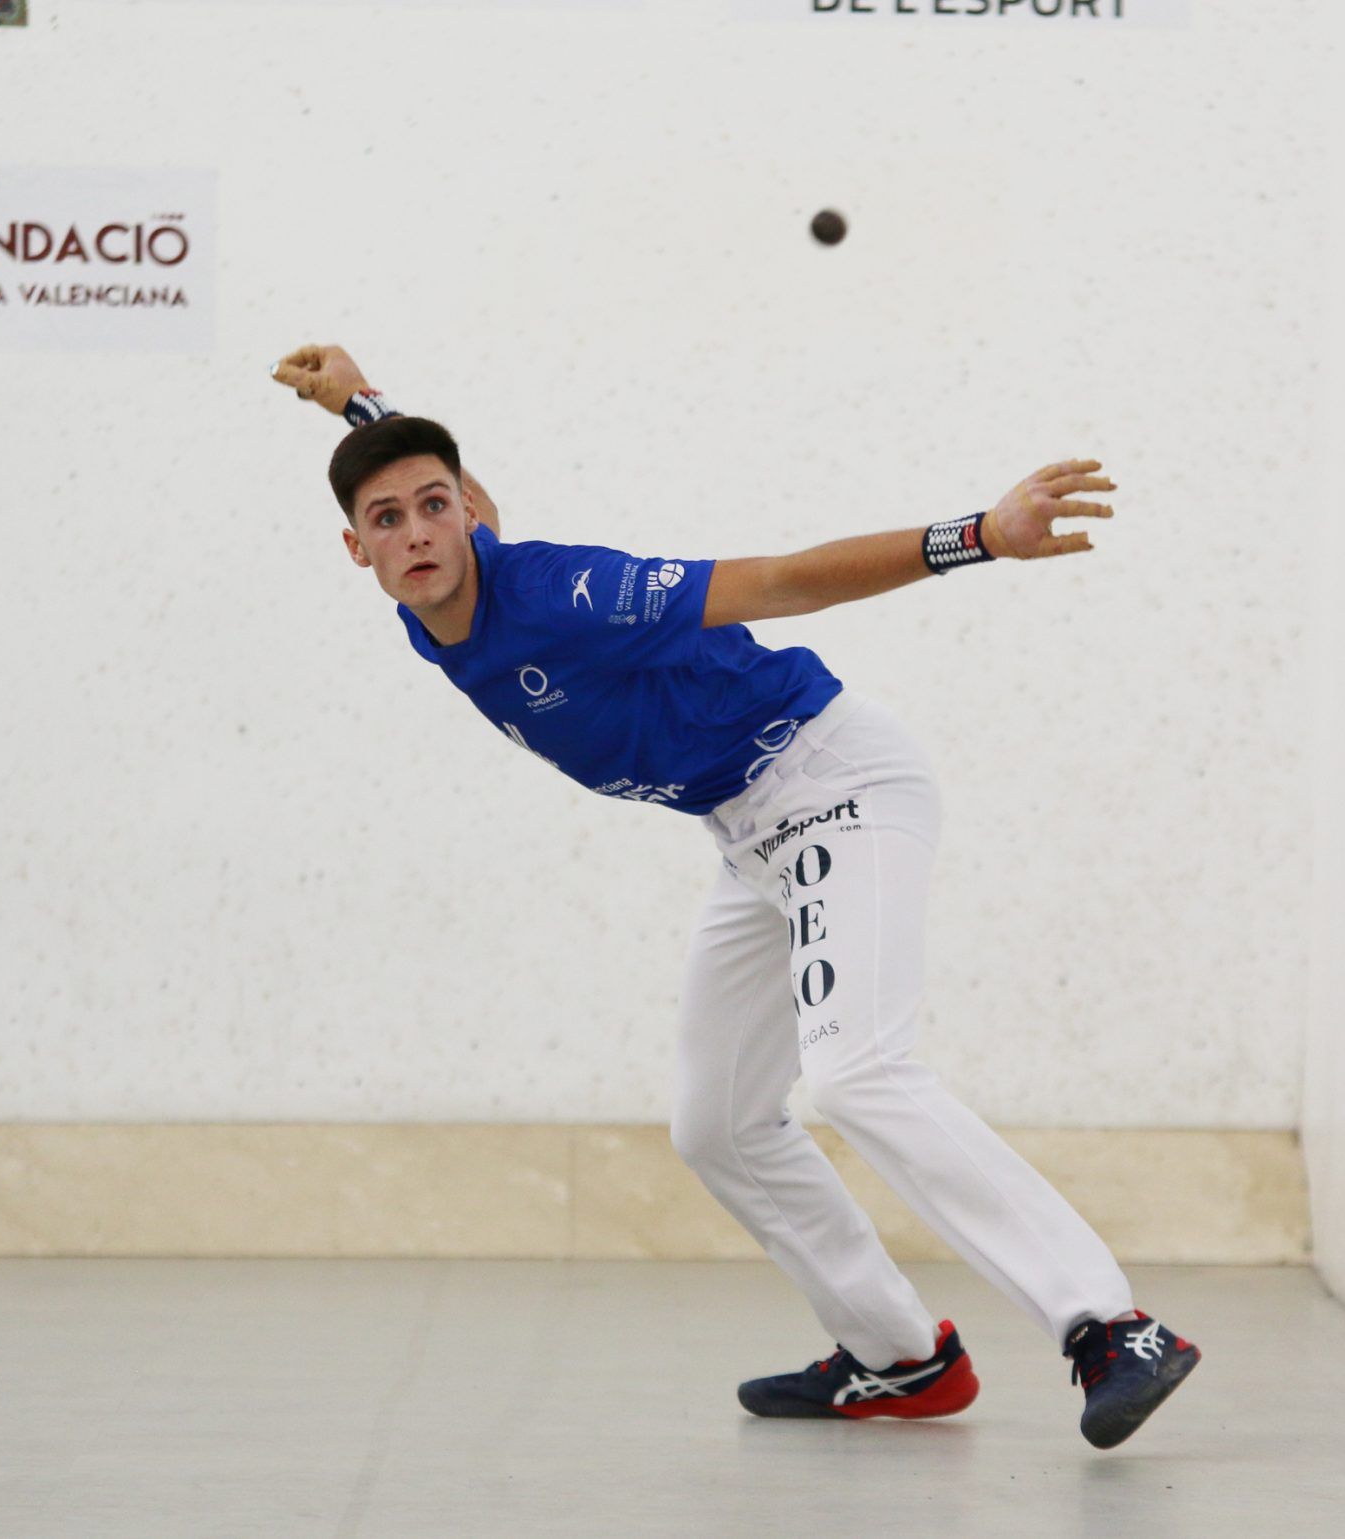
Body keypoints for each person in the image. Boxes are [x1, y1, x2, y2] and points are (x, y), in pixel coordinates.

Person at [272, 344, 1200, 1448]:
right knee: (715, 1122)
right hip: (745, 833)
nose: (418, 532)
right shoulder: (431, 601)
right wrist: (358, 401)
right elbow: (422, 481)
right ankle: (900, 1357)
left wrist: (977, 537)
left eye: (435, 507)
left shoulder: (566, 589)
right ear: (357, 548)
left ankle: (1109, 1324)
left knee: (856, 1071)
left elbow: (780, 580)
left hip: (832, 781)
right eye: (389, 520)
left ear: (470, 516)